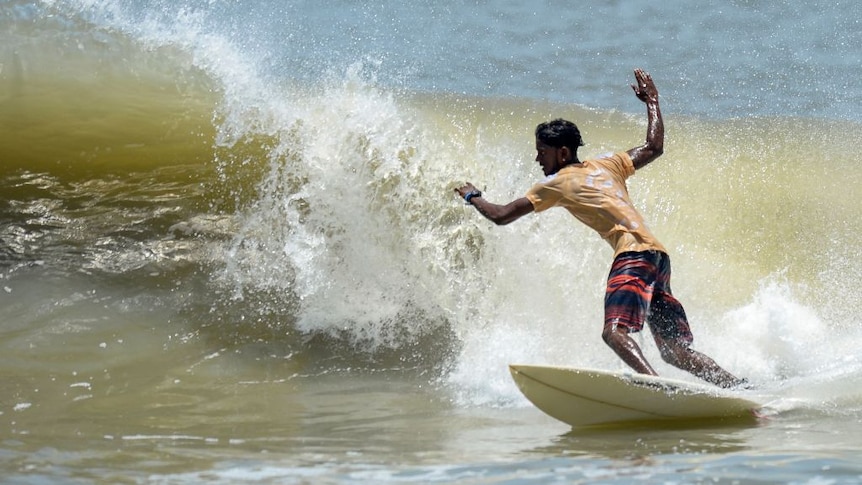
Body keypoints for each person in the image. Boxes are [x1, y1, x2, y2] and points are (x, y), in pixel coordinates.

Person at [454, 68, 745, 388]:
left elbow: (501, 215)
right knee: (674, 351)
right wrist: (653, 102)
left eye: (542, 151)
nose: (538, 158)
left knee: (614, 332)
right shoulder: (608, 163)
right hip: (658, 258)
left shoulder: (557, 183)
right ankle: (738, 387)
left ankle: (657, 389)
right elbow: (653, 146)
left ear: (562, 152)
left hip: (633, 256)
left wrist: (473, 196)